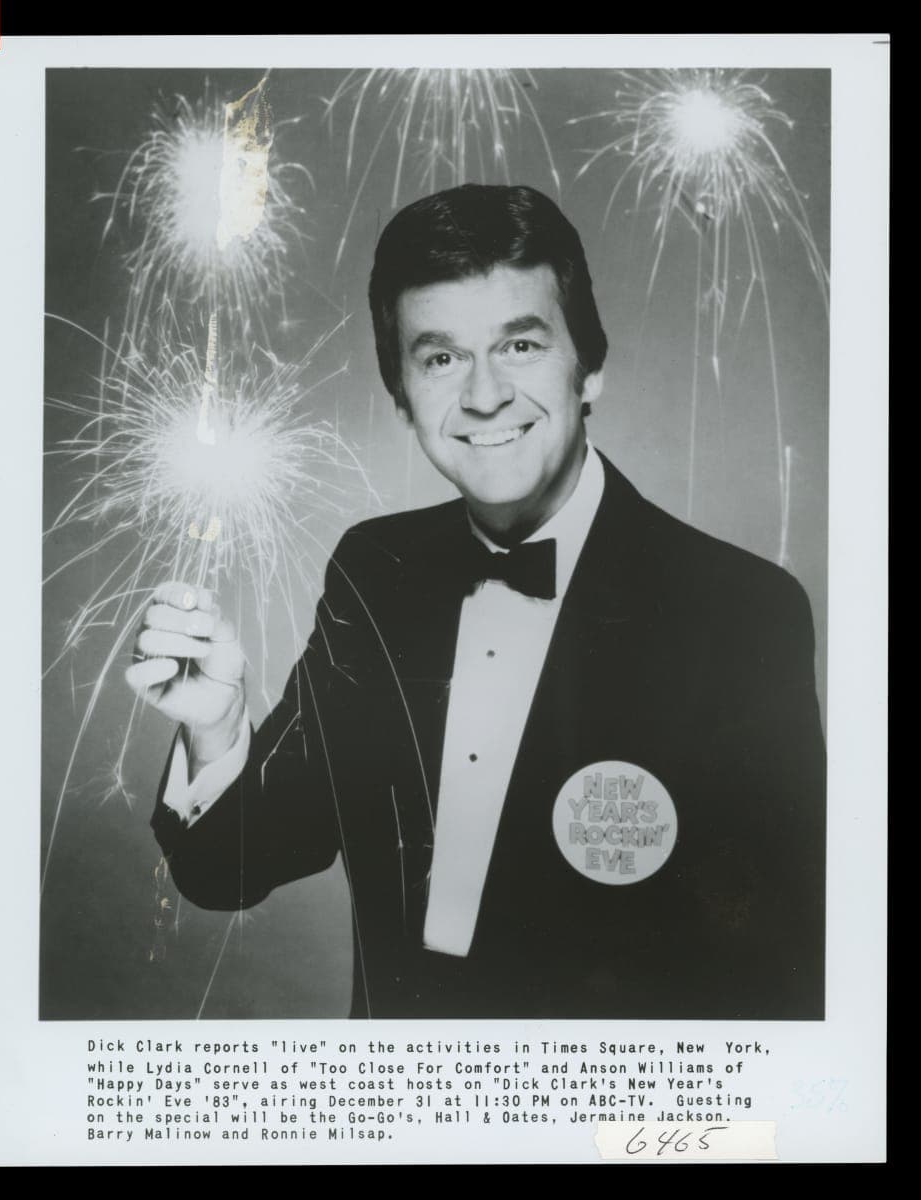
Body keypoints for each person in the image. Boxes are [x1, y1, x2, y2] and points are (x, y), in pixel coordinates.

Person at [127, 184, 826, 1020]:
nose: (484, 395)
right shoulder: (374, 569)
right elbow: (228, 873)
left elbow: (781, 967)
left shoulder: (740, 609)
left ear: (588, 366)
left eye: (521, 345)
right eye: (440, 357)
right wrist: (214, 725)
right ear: (401, 396)